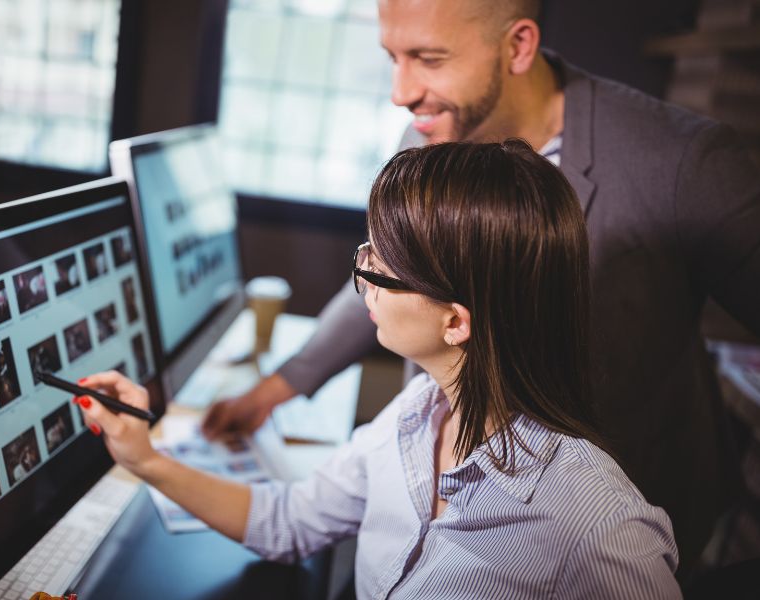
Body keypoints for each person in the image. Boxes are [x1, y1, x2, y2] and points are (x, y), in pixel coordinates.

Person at [200, 0, 760, 572]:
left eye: (428, 58)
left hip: (609, 527)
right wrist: (279, 387)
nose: (401, 92)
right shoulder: (429, 134)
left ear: (517, 46)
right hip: (452, 504)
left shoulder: (680, 161)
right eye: (393, 57)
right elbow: (385, 274)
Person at [76, 141, 680, 598]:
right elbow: (289, 523)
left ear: (455, 323)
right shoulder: (415, 416)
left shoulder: (597, 523)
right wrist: (146, 459)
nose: (361, 275)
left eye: (381, 264)